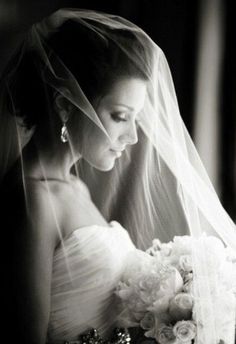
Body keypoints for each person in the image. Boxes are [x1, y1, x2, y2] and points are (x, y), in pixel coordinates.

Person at [0, 8, 235, 344]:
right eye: (120, 116)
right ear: (67, 104)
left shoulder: (74, 186)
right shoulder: (32, 201)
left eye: (135, 119)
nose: (133, 137)